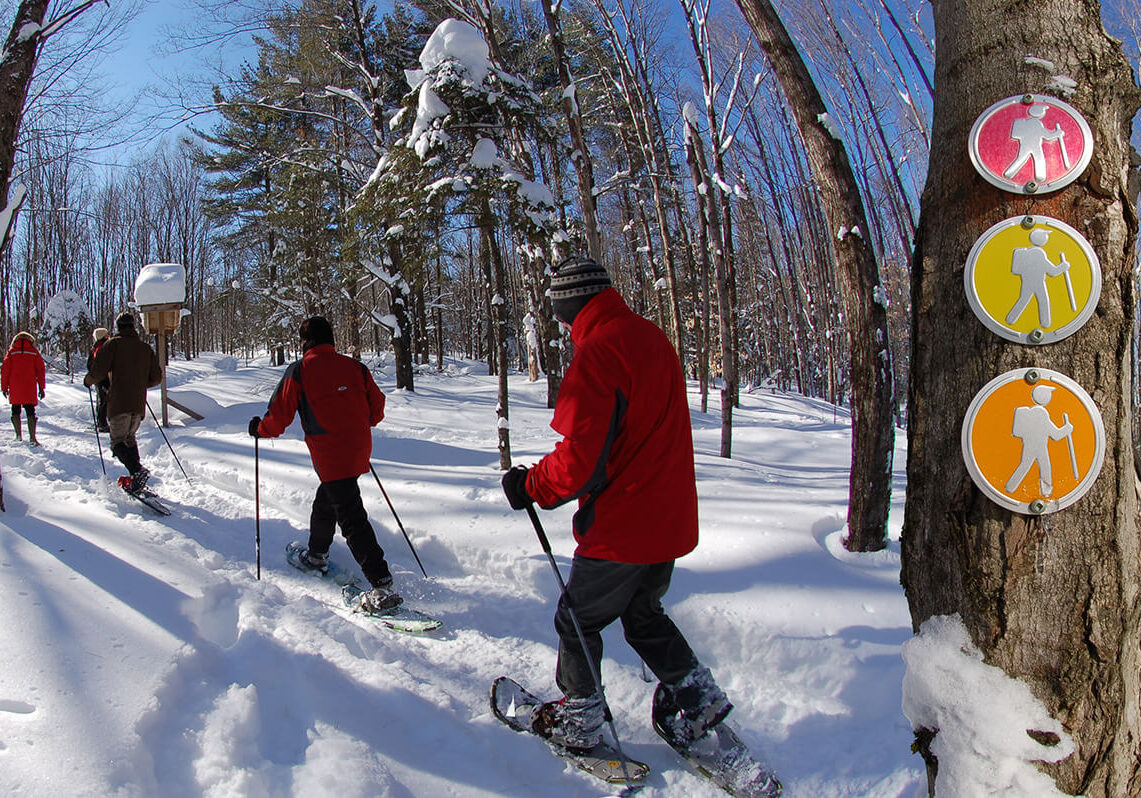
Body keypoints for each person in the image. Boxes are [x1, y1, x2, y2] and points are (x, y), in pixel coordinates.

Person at [501, 256, 734, 754]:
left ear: (571, 306)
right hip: (667, 518)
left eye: (562, 318)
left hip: (623, 524)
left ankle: (581, 718)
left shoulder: (599, 353)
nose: (563, 329)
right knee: (643, 615)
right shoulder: (650, 337)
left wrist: (530, 487)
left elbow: (579, 461)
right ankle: (698, 700)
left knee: (577, 619)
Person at [249, 316, 400, 613]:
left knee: (351, 517)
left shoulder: (300, 371)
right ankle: (317, 554)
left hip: (331, 454)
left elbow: (278, 419)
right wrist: (359, 422)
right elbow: (377, 407)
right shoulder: (356, 367)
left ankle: (381, 585)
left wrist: (259, 429)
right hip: (357, 448)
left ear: (306, 342)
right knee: (328, 499)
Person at [83, 312, 163, 491]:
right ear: (133, 326)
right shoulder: (145, 348)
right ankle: (137, 476)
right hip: (138, 403)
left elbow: (98, 370)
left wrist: (88, 381)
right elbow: (157, 377)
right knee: (129, 438)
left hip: (119, 402)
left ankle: (137, 470)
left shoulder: (113, 345)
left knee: (117, 442)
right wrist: (140, 384)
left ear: (118, 327)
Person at [1, 331, 46, 445]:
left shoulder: (11, 352)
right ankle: (32, 437)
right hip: (29, 386)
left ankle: (18, 435)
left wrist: (4, 387)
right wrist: (41, 387)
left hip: (15, 386)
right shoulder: (33, 352)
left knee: (15, 409)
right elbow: (40, 370)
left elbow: (5, 371)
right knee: (30, 410)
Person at [87, 327, 111, 432]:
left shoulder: (95, 347)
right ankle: (102, 423)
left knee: (101, 399)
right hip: (104, 378)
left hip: (98, 378)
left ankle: (100, 422)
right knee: (104, 400)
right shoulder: (104, 347)